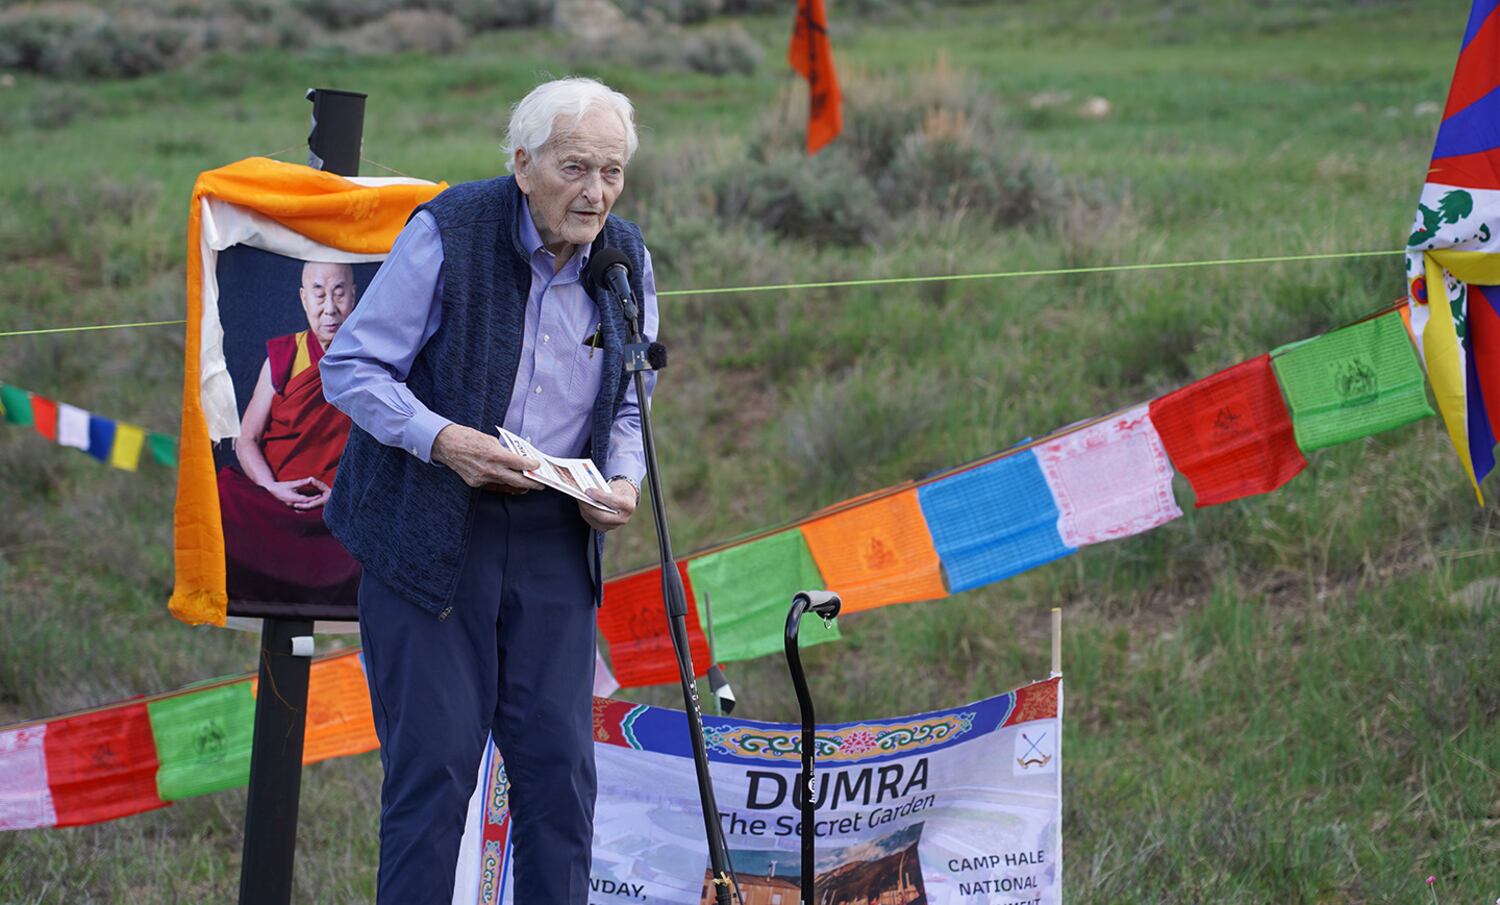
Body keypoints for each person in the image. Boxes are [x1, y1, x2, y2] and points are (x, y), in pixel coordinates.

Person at [320, 77, 656, 904]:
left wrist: (623, 480)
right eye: (576, 167)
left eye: (612, 171)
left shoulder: (627, 262)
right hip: (435, 531)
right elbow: (351, 366)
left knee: (562, 784)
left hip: (553, 539)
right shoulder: (448, 234)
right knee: (432, 779)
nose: (597, 192)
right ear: (522, 163)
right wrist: (441, 438)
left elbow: (633, 398)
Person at [216, 260, 362, 611]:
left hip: (339, 506)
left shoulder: (371, 357)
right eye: (319, 293)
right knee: (221, 492)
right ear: (303, 299)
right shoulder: (285, 355)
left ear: (354, 295)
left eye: (339, 292)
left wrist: (344, 492)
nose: (330, 307)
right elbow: (246, 439)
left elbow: (386, 447)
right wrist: (270, 487)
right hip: (276, 501)